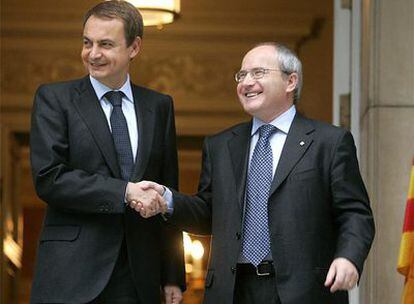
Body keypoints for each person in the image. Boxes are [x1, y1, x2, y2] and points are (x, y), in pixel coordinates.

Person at [134, 42, 375, 304]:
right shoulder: (220, 145)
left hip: (305, 291)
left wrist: (348, 257)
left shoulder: (330, 141)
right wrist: (166, 200)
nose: (246, 82)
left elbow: (355, 213)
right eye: (241, 75)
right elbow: (208, 213)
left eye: (258, 73)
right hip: (233, 290)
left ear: (290, 81)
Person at [29, 1, 185, 303]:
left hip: (139, 276)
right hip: (71, 274)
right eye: (87, 43)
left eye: (106, 44)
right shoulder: (54, 99)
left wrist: (172, 276)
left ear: (134, 47)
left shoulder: (159, 106)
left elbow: (168, 192)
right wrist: (125, 191)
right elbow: (49, 178)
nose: (93, 54)